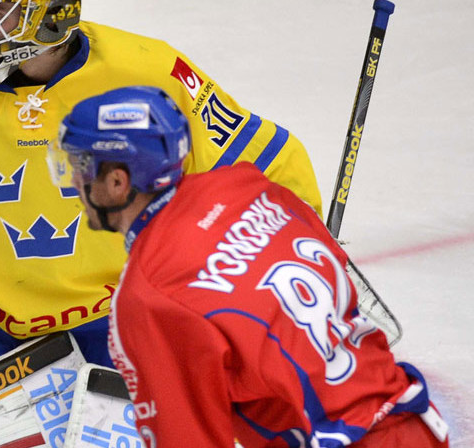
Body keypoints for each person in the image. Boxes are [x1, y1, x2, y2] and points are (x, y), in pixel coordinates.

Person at [0, 0, 324, 405]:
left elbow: (266, 161)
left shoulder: (149, 72)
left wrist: (302, 249)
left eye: (4, 8)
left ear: (52, 15)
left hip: (119, 311)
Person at [49, 85, 450, 447]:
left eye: (81, 166)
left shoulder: (148, 295)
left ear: (118, 182)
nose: (73, 183)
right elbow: (336, 267)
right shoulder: (249, 186)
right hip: (415, 421)